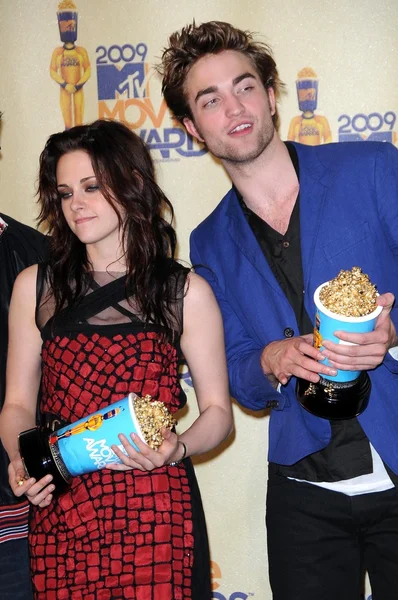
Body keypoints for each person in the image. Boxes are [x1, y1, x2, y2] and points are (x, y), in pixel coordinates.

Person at [159, 20, 398, 600]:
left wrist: (391, 332)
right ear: (192, 128)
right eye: (209, 100)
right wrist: (269, 358)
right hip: (302, 490)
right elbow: (238, 369)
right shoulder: (208, 240)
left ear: (270, 95)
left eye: (244, 87)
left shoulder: (372, 168)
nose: (233, 108)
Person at [0, 119, 232, 599]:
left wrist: (178, 447)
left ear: (133, 183)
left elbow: (218, 414)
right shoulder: (35, 287)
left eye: (91, 187)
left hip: (155, 504)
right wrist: (24, 460)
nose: (76, 205)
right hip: (64, 504)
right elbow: (17, 405)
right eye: (64, 193)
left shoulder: (183, 291)